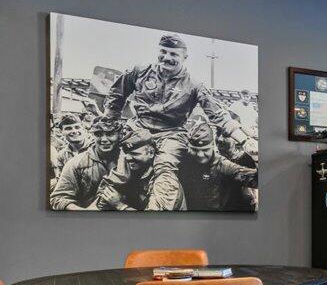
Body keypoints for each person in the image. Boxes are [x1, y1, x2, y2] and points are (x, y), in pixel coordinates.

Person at [101, 33, 256, 210]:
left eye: (174, 54)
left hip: (171, 133)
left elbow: (218, 114)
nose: (167, 57)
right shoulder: (139, 72)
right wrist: (109, 122)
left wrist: (244, 140)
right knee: (122, 169)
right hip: (139, 127)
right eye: (163, 52)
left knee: (165, 168)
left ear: (184, 57)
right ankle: (102, 204)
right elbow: (116, 96)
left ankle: (157, 212)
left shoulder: (194, 86)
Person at [180, 117, 257, 211]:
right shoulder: (186, 158)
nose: (220, 139)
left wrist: (254, 154)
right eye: (218, 134)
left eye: (226, 135)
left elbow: (255, 179)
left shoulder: (227, 163)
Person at [95, 123, 176, 211]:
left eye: (135, 154)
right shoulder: (133, 172)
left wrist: (120, 206)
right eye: (126, 155)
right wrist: (121, 177)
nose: (129, 158)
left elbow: (152, 220)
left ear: (151, 153)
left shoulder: (165, 179)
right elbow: (101, 204)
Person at [50, 116, 121, 211]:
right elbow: (58, 198)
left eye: (109, 134)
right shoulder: (75, 163)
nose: (104, 139)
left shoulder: (131, 159)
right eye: (98, 134)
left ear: (120, 135)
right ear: (92, 135)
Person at [51, 112, 91, 180]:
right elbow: (62, 180)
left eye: (77, 127)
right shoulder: (62, 155)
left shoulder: (95, 148)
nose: (74, 131)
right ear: (61, 132)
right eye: (68, 128)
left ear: (83, 128)